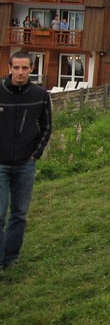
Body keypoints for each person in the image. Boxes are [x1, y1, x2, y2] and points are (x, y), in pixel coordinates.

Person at [0, 51, 52, 270]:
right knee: (0, 213)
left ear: (32, 69)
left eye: (24, 68)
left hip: (25, 164)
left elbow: (46, 126)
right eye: (16, 68)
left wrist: (35, 154)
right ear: (9, 68)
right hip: (0, 164)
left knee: (19, 214)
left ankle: (11, 257)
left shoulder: (39, 94)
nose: (20, 72)